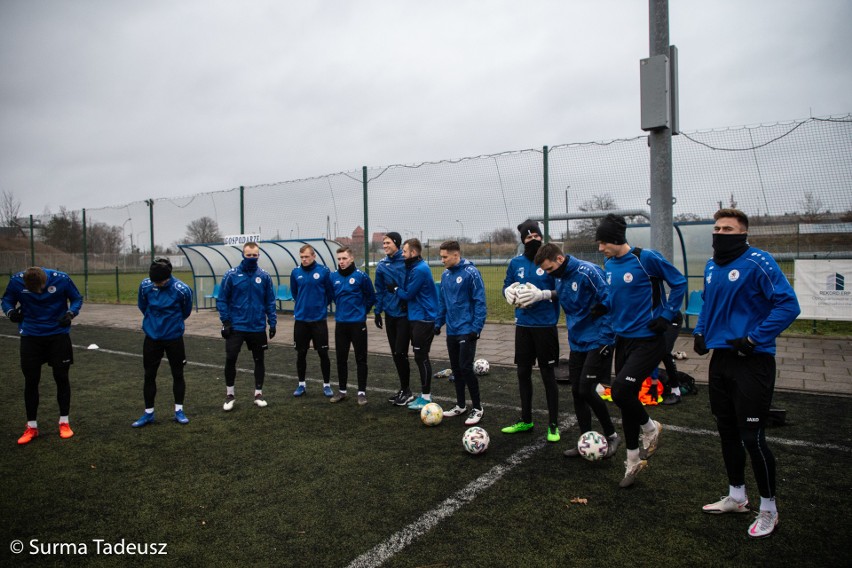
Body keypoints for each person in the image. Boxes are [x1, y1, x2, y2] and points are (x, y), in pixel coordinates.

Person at [694, 208, 799, 538]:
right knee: (726, 431)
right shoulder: (711, 266)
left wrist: (755, 338)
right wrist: (699, 331)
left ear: (742, 233)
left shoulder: (759, 261)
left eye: (727, 229)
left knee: (752, 437)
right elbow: (707, 304)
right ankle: (737, 496)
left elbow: (788, 305)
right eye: (717, 228)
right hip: (721, 361)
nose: (720, 233)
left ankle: (769, 509)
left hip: (753, 361)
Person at [596, 213, 687, 488]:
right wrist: (604, 307)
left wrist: (669, 313)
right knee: (626, 400)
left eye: (603, 242)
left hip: (648, 339)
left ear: (615, 239)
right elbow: (614, 297)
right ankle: (633, 461)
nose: (600, 248)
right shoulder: (609, 264)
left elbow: (679, 282)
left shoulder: (646, 258)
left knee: (621, 391)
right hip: (622, 340)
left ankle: (651, 427)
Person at [533, 243, 621, 458]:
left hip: (598, 339)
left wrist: (606, 340)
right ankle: (586, 440)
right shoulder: (560, 277)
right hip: (577, 341)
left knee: (586, 389)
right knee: (576, 392)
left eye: (550, 269)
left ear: (560, 259)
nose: (549, 273)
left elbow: (609, 296)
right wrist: (541, 295)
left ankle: (612, 435)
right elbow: (563, 297)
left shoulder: (587, 271)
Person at [2, 267, 83, 445]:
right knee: (31, 381)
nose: (37, 294)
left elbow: (77, 298)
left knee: (61, 378)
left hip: (58, 336)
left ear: (45, 282)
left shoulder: (62, 279)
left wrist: (70, 313)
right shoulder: (16, 281)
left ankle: (64, 422)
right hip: (31, 337)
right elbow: (7, 300)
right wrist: (11, 312)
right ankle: (31, 426)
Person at [500, 220, 562, 443]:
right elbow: (506, 286)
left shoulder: (550, 261)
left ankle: (553, 425)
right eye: (528, 237)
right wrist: (507, 292)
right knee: (522, 374)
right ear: (523, 241)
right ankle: (526, 419)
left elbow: (561, 290)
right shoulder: (516, 263)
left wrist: (543, 294)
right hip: (523, 327)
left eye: (536, 236)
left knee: (548, 375)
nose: (533, 240)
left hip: (545, 327)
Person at [132, 258, 194, 427]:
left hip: (173, 338)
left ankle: (179, 411)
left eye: (161, 282)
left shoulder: (181, 290)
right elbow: (142, 305)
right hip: (152, 337)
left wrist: (171, 323)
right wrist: (154, 323)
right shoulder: (145, 286)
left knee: (177, 374)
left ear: (169, 277)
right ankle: (148, 413)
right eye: (155, 282)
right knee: (149, 375)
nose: (157, 285)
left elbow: (186, 310)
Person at [218, 241, 277, 410]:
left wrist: (272, 323)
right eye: (248, 255)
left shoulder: (264, 276)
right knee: (231, 359)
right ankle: (230, 395)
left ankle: (258, 394)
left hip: (257, 327)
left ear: (258, 255)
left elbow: (270, 301)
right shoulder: (231, 275)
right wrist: (226, 321)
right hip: (236, 327)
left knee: (259, 360)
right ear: (243, 255)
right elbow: (222, 299)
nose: (251, 258)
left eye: (254, 255)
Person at [434, 240, 487, 425]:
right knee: (456, 369)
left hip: (467, 329)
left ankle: (478, 408)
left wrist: (476, 328)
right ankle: (461, 405)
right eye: (441, 256)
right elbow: (443, 303)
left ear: (456, 255)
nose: (442, 260)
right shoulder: (446, 275)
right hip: (452, 329)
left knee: (465, 367)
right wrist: (438, 323)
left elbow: (480, 301)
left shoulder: (471, 273)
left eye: (444, 257)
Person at [386, 238, 440, 411]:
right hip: (416, 317)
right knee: (419, 356)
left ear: (414, 253)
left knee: (421, 357)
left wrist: (395, 289)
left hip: (423, 319)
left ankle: (426, 398)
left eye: (405, 251)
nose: (402, 253)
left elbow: (408, 294)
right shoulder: (414, 267)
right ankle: (422, 395)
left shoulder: (420, 270)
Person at [329, 246, 376, 405]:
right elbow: (333, 297)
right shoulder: (333, 276)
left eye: (344, 258)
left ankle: (361, 392)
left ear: (351, 258)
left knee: (360, 358)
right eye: (339, 259)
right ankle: (342, 391)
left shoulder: (361, 276)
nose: (341, 262)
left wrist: (362, 312)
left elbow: (371, 297)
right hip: (341, 324)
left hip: (357, 324)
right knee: (341, 358)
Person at [373, 232, 413, 406]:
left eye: (388, 242)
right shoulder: (381, 266)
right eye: (383, 243)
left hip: (405, 315)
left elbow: (413, 285)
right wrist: (377, 311)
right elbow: (380, 290)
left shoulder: (406, 262)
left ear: (397, 243)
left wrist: (407, 302)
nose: (385, 245)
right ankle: (404, 389)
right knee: (395, 354)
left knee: (401, 352)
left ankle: (408, 391)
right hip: (390, 314)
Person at [290, 243, 335, 397]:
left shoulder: (324, 271)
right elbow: (295, 293)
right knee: (301, 353)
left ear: (313, 256)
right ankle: (301, 385)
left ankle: (327, 385)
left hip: (318, 320)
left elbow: (329, 293)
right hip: (301, 320)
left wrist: (320, 306)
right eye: (302, 257)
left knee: (323, 353)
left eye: (307, 256)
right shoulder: (295, 272)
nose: (304, 259)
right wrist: (303, 306)